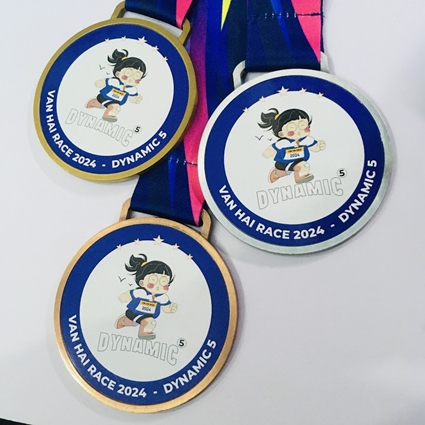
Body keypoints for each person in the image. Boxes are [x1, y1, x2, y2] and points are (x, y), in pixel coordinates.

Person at [115, 253, 178, 340]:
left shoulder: (162, 298)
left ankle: (123, 321)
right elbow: (129, 294)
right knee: (150, 322)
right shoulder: (141, 292)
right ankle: (144, 333)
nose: (158, 286)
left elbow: (166, 306)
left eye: (163, 282)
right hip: (135, 312)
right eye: (153, 280)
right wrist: (125, 296)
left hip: (148, 315)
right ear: (142, 283)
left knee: (135, 323)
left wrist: (170, 308)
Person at [259, 108, 326, 183]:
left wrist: (319, 146)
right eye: (292, 128)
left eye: (302, 126)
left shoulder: (307, 140)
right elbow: (273, 148)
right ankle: (276, 173)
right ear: (281, 134)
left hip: (299, 161)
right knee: (287, 172)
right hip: (283, 163)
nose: (299, 131)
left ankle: (299, 177)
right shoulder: (283, 143)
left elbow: (314, 147)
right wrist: (268, 152)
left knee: (303, 165)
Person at [86, 49, 146, 122]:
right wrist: (100, 83)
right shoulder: (114, 82)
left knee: (102, 106)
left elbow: (132, 97)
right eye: (128, 73)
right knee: (115, 108)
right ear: (118, 74)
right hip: (104, 97)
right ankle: (107, 116)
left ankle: (93, 102)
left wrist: (136, 99)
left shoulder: (132, 89)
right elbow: (104, 81)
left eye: (136, 76)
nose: (131, 79)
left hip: (115, 101)